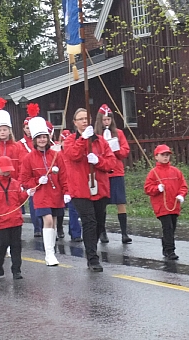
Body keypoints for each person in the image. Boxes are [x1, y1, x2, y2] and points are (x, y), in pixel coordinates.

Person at [63, 108, 116, 272]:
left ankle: (92, 248)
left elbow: (111, 163)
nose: (84, 121)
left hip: (100, 188)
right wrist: (83, 139)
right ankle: (92, 258)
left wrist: (98, 161)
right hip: (81, 190)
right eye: (80, 119)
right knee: (89, 222)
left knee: (99, 223)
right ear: (75, 122)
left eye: (86, 118)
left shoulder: (100, 141)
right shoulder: (70, 140)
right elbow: (73, 155)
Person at [19, 117, 68, 266]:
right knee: (47, 220)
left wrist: (66, 192)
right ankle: (49, 255)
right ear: (34, 139)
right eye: (39, 137)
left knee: (53, 223)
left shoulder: (56, 155)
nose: (42, 140)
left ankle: (51, 250)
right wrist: (36, 182)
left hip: (56, 194)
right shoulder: (28, 158)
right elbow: (24, 180)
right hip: (40, 194)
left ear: (48, 138)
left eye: (44, 137)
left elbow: (64, 176)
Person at [0, 156, 30, 279]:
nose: (7, 172)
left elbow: (20, 199)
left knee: (16, 246)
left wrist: (27, 194)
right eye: (4, 169)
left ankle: (16, 270)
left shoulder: (15, 183)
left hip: (15, 220)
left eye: (8, 170)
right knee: (2, 245)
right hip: (1, 221)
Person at [95, 104, 132, 244]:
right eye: (104, 120)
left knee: (120, 202)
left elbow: (125, 151)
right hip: (103, 172)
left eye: (108, 120)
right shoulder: (96, 135)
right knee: (102, 203)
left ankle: (124, 233)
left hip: (116, 172)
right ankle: (103, 232)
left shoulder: (119, 133)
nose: (106, 122)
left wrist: (115, 150)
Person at [144, 145, 188, 260]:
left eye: (167, 155)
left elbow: (183, 186)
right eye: (162, 155)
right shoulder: (153, 173)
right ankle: (170, 250)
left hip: (174, 204)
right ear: (156, 157)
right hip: (161, 206)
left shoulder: (176, 171)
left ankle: (165, 245)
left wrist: (181, 195)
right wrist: (157, 188)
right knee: (167, 227)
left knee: (172, 227)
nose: (165, 157)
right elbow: (147, 188)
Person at [19, 113, 43, 237]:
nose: (29, 130)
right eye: (27, 128)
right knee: (33, 204)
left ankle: (47, 226)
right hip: (31, 178)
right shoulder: (20, 144)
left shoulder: (41, 142)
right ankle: (37, 227)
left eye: (31, 127)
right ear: (24, 129)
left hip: (42, 176)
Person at [59, 130, 82, 242]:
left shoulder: (73, 154)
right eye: (63, 140)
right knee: (59, 211)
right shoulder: (57, 155)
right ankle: (58, 229)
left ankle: (75, 233)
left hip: (73, 185)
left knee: (74, 210)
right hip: (60, 186)